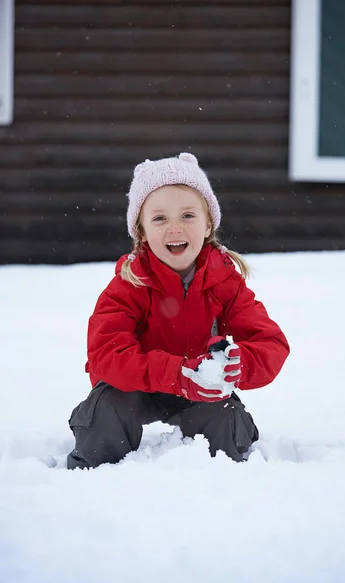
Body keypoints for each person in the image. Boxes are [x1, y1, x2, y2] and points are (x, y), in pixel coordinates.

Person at [67, 152, 289, 469]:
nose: (175, 228)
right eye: (159, 218)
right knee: (106, 411)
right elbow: (105, 354)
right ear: (141, 231)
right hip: (135, 388)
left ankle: (224, 478)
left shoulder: (224, 281)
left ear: (208, 222)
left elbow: (270, 342)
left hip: (202, 387)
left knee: (223, 421)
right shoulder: (129, 284)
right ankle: (93, 476)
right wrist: (174, 374)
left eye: (187, 216)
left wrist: (239, 365)